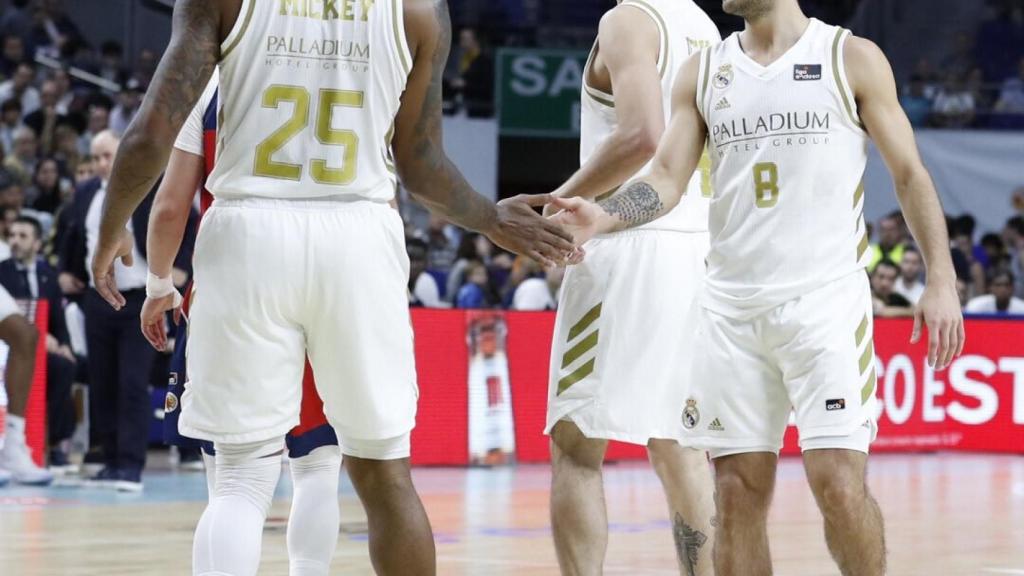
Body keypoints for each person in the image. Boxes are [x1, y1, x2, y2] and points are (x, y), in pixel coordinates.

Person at [91, 1, 573, 575]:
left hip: (250, 229)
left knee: (241, 478)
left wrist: (111, 224)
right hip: (359, 235)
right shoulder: (421, 9)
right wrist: (490, 219)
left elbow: (151, 131)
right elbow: (420, 166)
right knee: (384, 473)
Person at [551, 1, 965, 573]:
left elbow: (909, 173)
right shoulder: (703, 71)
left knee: (839, 486)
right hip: (729, 311)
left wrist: (940, 278)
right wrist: (597, 216)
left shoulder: (850, 57)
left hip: (824, 304)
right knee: (737, 492)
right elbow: (667, 177)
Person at [544, 1, 719, 574]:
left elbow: (643, 137)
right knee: (682, 446)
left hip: (627, 242)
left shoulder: (627, 20)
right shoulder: (705, 27)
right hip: (697, 245)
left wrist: (557, 205)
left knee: (576, 450)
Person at [151, 70, 348, 575]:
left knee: (232, 480)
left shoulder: (210, 80)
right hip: (328, 283)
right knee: (320, 466)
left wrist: (157, 285)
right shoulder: (351, 69)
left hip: (236, 280)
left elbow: (171, 205)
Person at [58, 130, 175, 491]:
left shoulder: (146, 186)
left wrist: (177, 270)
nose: (101, 164)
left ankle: (129, 465)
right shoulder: (86, 194)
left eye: (107, 155)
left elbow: (175, 224)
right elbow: (73, 235)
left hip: (139, 298)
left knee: (132, 383)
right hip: (98, 300)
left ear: (122, 153)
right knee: (101, 381)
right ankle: (108, 460)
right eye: (96, 157)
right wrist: (66, 271)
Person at [0, 215, 76, 471]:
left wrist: (63, 343)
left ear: (37, 243)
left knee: (30, 338)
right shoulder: (4, 268)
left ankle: (23, 443)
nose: (15, 242)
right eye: (13, 235)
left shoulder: (47, 274)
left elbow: (58, 316)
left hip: (43, 348)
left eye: (23, 236)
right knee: (27, 337)